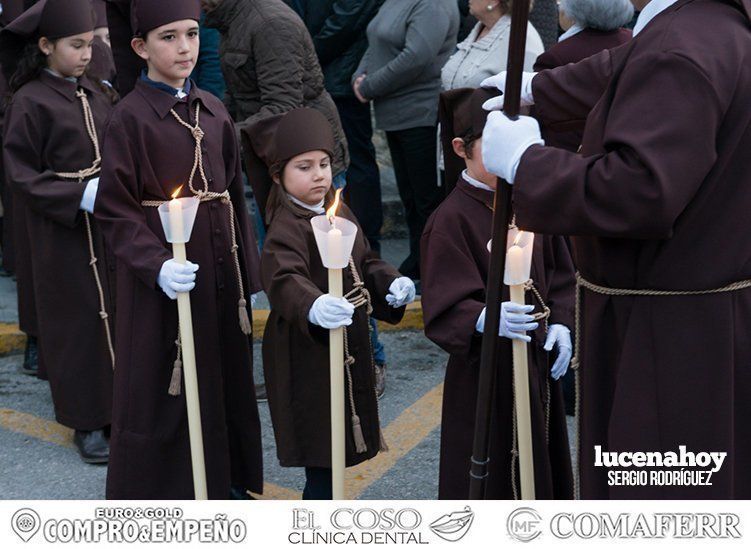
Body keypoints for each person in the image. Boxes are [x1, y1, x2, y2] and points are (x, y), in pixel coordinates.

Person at [480, 0, 751, 498]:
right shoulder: (711, 23)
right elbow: (624, 66)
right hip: (702, 315)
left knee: (658, 495)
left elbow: (639, 190)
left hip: (662, 337)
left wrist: (526, 162)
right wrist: (535, 90)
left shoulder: (681, 44)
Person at [94, 0, 263, 499]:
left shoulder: (213, 108)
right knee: (162, 385)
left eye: (191, 33)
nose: (184, 47)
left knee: (224, 377)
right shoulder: (130, 119)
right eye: (168, 37)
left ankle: (224, 482)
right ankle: (167, 495)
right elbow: (115, 210)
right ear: (140, 47)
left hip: (217, 274)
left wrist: (245, 276)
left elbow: (234, 195)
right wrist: (157, 265)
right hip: (163, 280)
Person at [250, 107, 415, 499]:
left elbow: (366, 260)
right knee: (322, 454)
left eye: (323, 164)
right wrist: (312, 304)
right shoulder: (285, 227)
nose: (319, 175)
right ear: (278, 175)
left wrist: (392, 283)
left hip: (347, 347)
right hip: (306, 354)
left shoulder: (336, 210)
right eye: (304, 167)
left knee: (341, 443)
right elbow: (283, 276)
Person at [422, 86, 575, 499]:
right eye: (494, 144)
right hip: (485, 374)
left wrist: (562, 323)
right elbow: (442, 301)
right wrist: (481, 316)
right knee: (491, 472)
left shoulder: (532, 201)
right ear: (461, 148)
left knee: (540, 463)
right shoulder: (450, 219)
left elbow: (562, 271)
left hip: (536, 360)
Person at [1, 0, 115, 463]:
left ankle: (118, 408)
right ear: (46, 46)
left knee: (113, 312)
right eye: (76, 46)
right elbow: (21, 174)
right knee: (76, 322)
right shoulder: (30, 101)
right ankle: (85, 420)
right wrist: (76, 196)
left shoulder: (95, 91)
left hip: (105, 225)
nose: (87, 54)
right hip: (60, 231)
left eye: (90, 44)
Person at [352, 0, 459, 282]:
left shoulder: (434, 5)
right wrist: (360, 76)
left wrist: (370, 85)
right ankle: (419, 259)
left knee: (425, 199)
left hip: (420, 113)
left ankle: (432, 266)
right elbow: (375, 40)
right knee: (409, 197)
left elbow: (416, 57)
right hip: (395, 113)